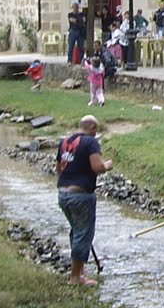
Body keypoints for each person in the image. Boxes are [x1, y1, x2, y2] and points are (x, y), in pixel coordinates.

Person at [56, 115, 113, 287]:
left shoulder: (64, 141)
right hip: (81, 195)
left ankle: (79, 271)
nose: (96, 134)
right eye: (96, 131)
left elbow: (59, 169)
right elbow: (97, 167)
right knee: (83, 234)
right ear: (92, 127)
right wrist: (107, 165)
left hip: (63, 194)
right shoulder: (90, 142)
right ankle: (75, 278)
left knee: (76, 231)